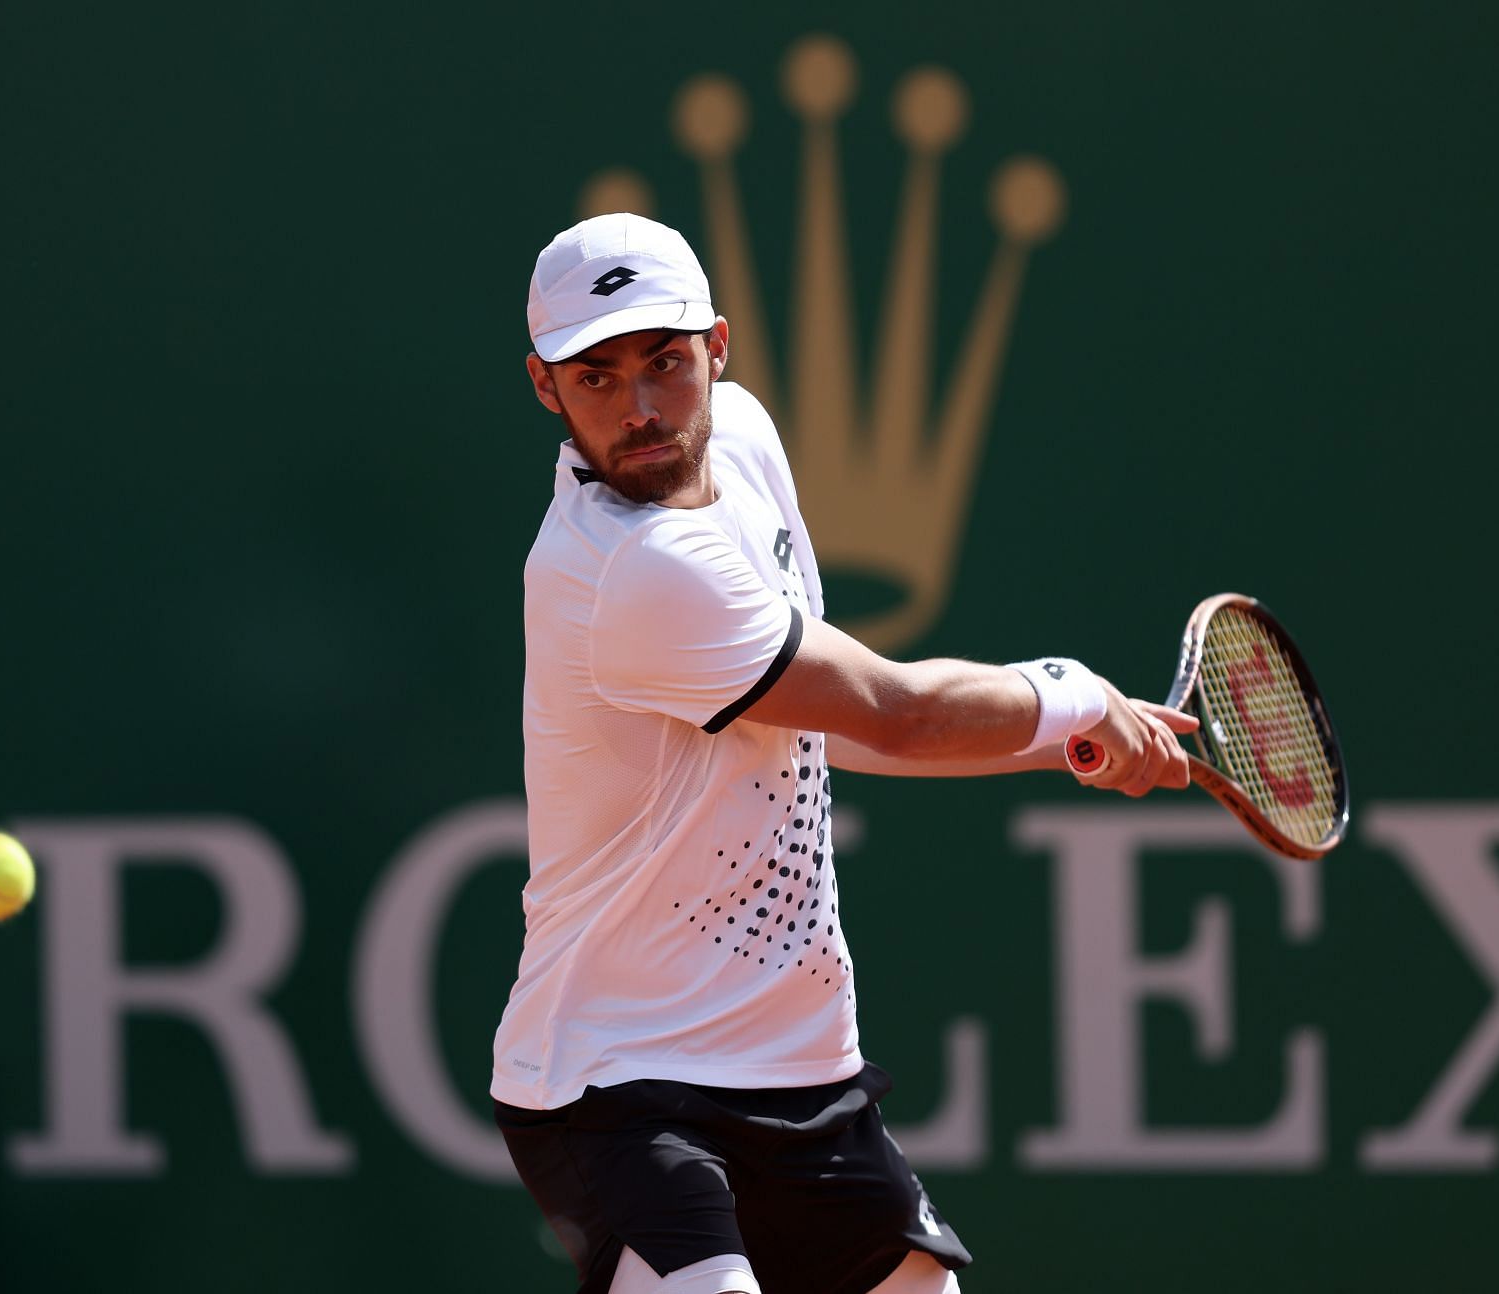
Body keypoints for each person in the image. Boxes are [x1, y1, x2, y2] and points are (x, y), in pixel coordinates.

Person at [492, 213, 1197, 1294]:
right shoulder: (630, 570)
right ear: (545, 386)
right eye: (597, 378)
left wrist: (1066, 744)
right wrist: (1076, 696)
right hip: (616, 1084)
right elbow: (896, 710)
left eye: (666, 364)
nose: (639, 408)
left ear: (718, 349)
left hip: (796, 1070)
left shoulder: (748, 445)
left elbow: (826, 730)